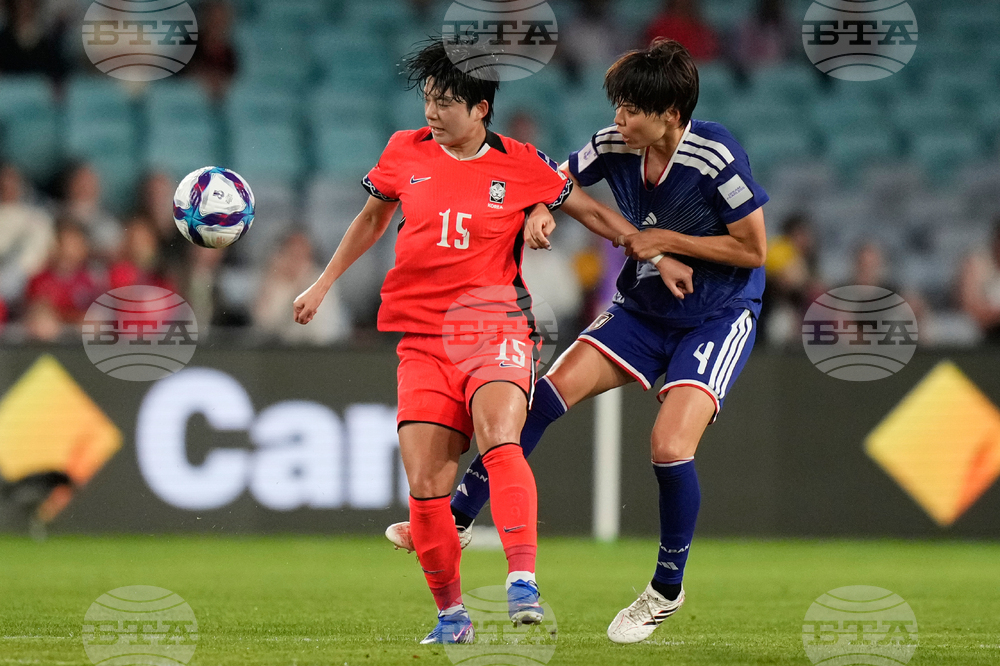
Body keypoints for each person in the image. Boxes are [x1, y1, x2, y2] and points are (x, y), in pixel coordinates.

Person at [292, 38, 693, 645]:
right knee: (426, 489)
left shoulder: (521, 163)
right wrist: (324, 283)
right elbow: (372, 218)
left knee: (501, 436)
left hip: (492, 323)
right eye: (428, 98)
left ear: (481, 109)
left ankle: (522, 579)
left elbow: (588, 211)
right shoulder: (404, 151)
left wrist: (654, 250)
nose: (432, 112)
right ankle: (452, 617)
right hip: (421, 336)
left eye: (446, 101)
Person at [387, 38, 769, 645]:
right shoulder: (615, 142)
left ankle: (666, 588)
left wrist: (665, 240)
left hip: (716, 314)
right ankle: (456, 518)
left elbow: (753, 249)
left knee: (669, 445)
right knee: (540, 397)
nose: (617, 118)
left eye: (630, 109)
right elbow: (553, 179)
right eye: (616, 105)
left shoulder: (716, 154)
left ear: (669, 114)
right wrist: (539, 210)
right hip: (643, 308)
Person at [645, 0, 720, 62]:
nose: (683, 5)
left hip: (698, 67)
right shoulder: (660, 27)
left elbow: (709, 54)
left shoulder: (700, 28)